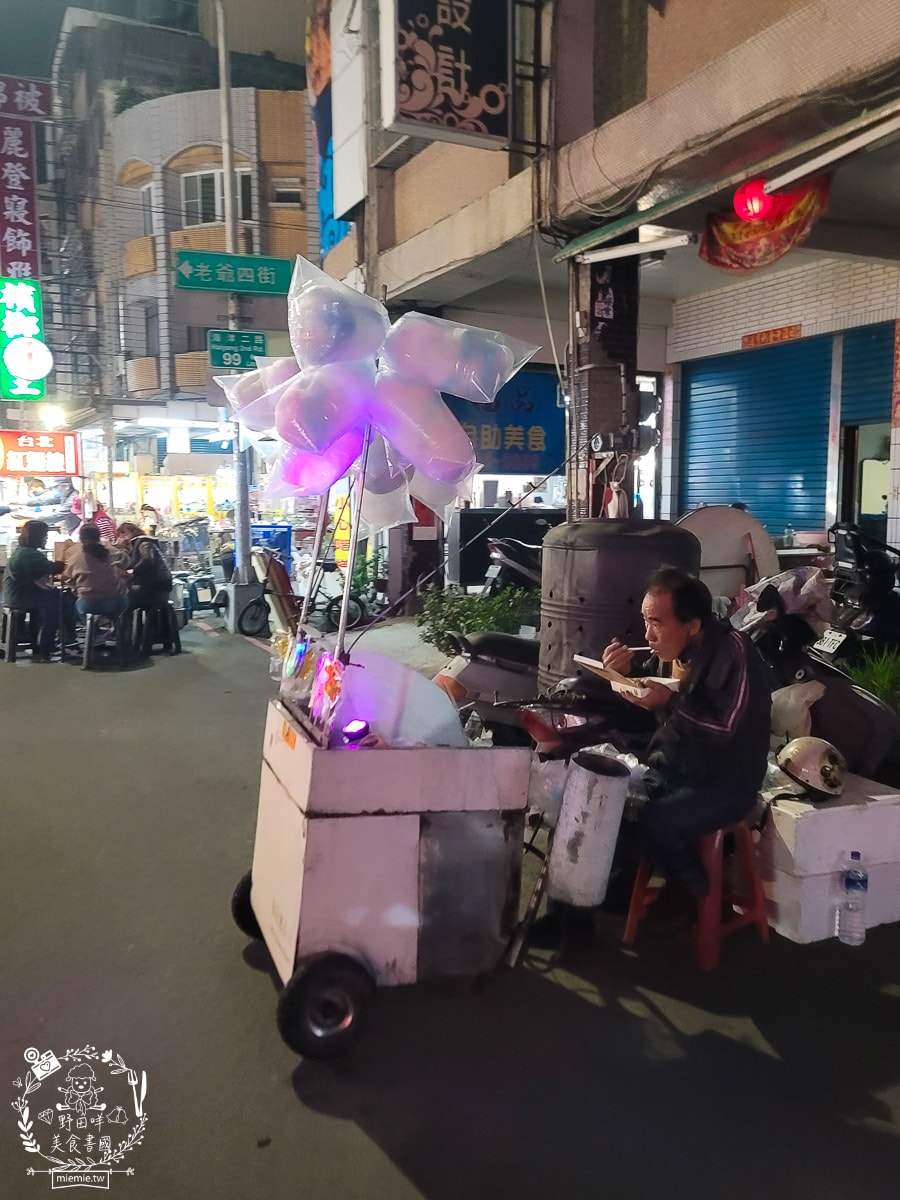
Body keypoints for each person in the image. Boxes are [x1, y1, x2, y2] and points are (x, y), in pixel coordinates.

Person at [601, 565, 771, 901]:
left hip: (725, 781)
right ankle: (617, 893)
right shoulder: (671, 651)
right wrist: (626, 673)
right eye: (646, 621)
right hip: (677, 765)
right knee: (610, 802)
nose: (648, 635)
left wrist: (669, 703)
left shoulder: (733, 650)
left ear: (692, 625)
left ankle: (696, 896)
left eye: (657, 623)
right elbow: (654, 686)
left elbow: (725, 728)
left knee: (657, 820)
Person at [2, 520, 75, 661]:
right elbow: (55, 568)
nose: (46, 538)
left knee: (55, 597)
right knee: (63, 601)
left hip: (18, 594)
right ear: (37, 536)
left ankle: (47, 642)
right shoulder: (30, 555)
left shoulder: (22, 552)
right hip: (22, 597)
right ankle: (52, 644)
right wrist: (65, 552)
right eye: (45, 535)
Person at [63, 523, 128, 623]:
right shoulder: (114, 552)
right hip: (117, 601)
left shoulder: (75, 558)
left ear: (80, 538)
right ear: (99, 536)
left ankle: (90, 628)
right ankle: (117, 627)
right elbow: (127, 563)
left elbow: (68, 578)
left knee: (75, 606)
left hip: (90, 603)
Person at [114, 522, 173, 611]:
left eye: (123, 533)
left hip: (155, 588)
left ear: (133, 532)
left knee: (123, 599)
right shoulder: (135, 546)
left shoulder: (144, 543)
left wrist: (133, 571)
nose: (121, 537)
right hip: (156, 586)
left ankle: (125, 620)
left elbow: (147, 560)